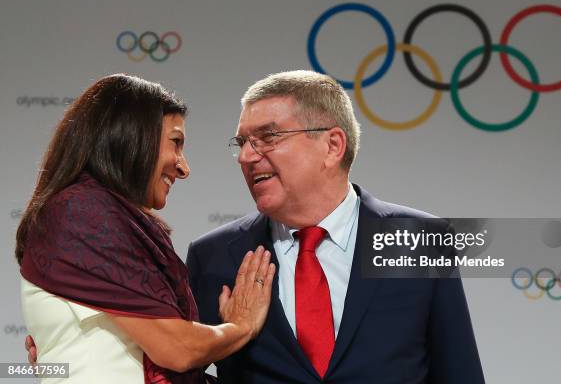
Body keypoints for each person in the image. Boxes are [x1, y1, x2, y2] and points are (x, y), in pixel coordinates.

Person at [186, 70, 485, 383]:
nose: (246, 156)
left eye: (268, 138)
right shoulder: (214, 256)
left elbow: (460, 372)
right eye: (242, 142)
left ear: (332, 145)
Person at [17, 74, 275, 383]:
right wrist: (241, 325)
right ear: (130, 137)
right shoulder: (82, 212)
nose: (184, 167)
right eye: (175, 143)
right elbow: (177, 349)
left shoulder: (97, 214)